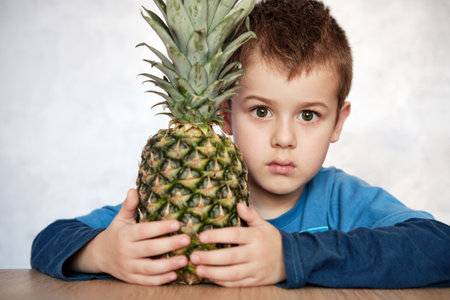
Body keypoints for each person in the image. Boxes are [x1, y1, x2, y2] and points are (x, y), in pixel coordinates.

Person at [31, 0, 450, 288]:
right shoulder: (177, 196)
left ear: (338, 122)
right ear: (226, 115)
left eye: (309, 115)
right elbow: (47, 241)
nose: (284, 139)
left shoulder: (343, 201)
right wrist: (100, 253)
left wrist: (290, 256)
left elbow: (438, 247)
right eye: (261, 111)